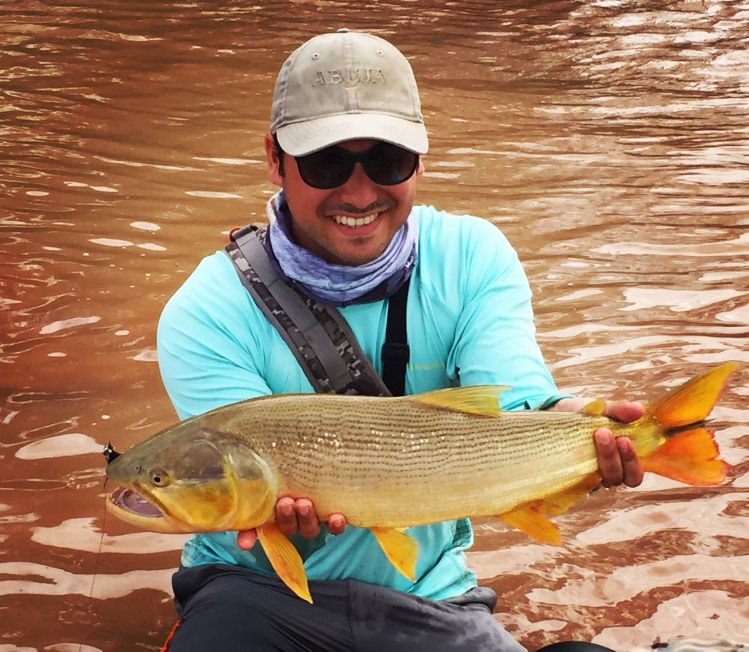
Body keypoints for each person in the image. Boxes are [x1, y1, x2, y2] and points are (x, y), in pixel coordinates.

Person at [155, 29, 644, 652]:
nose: (359, 193)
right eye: (327, 163)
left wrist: (582, 427)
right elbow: (229, 490)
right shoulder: (205, 313)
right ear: (275, 159)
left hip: (433, 597)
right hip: (255, 595)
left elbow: (521, 406)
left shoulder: (473, 257)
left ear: (421, 157)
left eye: (387, 161)